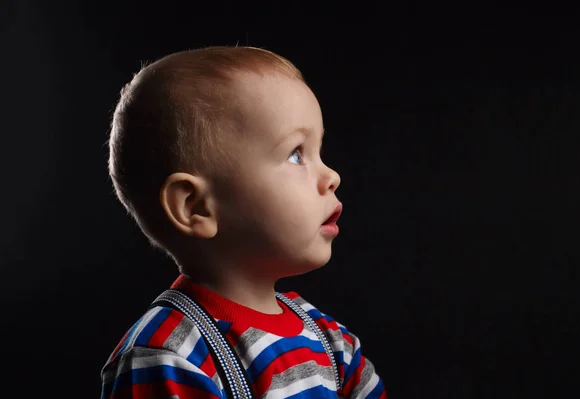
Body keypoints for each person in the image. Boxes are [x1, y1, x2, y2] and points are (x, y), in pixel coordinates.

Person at [101, 46, 387, 399]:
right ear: (196, 206)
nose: (332, 176)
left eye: (319, 152)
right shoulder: (168, 357)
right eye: (296, 154)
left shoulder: (333, 344)